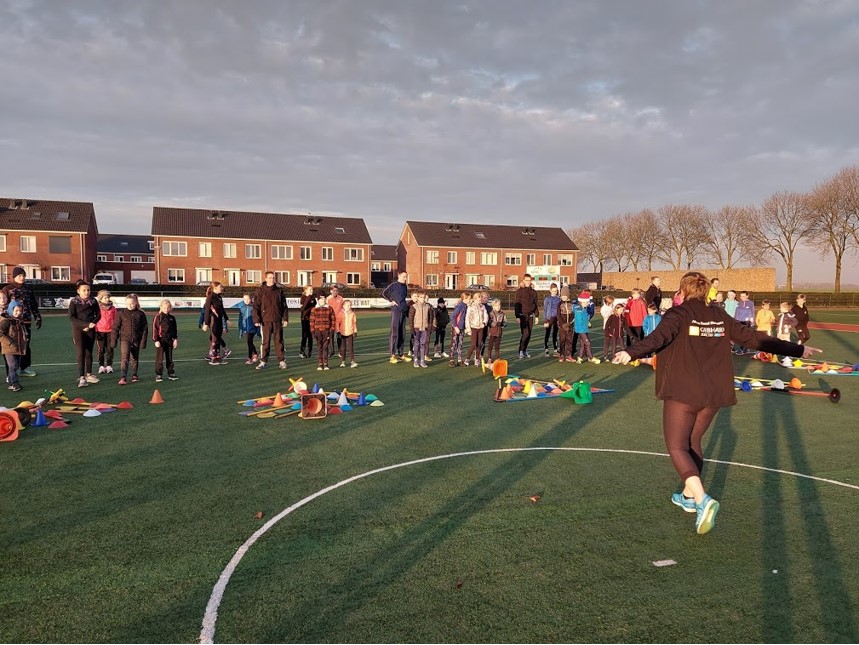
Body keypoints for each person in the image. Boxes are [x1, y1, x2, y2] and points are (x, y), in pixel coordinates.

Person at [613, 271, 822, 535]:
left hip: (684, 391)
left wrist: (630, 352)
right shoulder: (719, 315)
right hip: (713, 393)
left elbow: (658, 339)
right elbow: (754, 339)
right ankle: (689, 496)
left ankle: (702, 499)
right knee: (692, 442)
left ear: (684, 291)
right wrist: (799, 349)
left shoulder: (678, 314)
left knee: (677, 446)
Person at [1, 267, 42, 377]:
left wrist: (37, 316)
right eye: (20, 275)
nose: (22, 277)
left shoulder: (28, 288)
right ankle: (11, 372)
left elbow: (33, 303)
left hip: (26, 321)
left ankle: (24, 368)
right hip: (11, 323)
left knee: (25, 344)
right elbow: (3, 303)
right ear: (14, 277)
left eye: (23, 275)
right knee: (11, 347)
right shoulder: (7, 289)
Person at [68, 280, 101, 388]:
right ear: (78, 291)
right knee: (80, 353)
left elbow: (98, 315)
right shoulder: (74, 302)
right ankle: (82, 377)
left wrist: (92, 324)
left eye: (88, 290)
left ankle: (89, 374)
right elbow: (71, 317)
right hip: (78, 330)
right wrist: (85, 325)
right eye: (84, 290)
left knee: (89, 352)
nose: (86, 292)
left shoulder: (93, 301)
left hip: (90, 330)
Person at [253, 271, 289, 369]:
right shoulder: (260, 291)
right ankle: (263, 361)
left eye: (273, 278)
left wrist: (285, 318)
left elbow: (284, 306)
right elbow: (256, 306)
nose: (272, 279)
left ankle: (282, 361)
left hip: (277, 320)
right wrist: (257, 319)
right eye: (270, 278)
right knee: (265, 342)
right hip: (265, 320)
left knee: (279, 341)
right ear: (265, 279)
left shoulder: (279, 291)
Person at [112, 293, 148, 385]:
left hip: (136, 339)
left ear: (136, 303)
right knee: (125, 357)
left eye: (132, 303)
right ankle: (123, 377)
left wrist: (143, 342)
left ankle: (134, 375)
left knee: (135, 358)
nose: (130, 305)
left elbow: (145, 328)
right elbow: (116, 327)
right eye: (128, 304)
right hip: (125, 339)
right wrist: (114, 340)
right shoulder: (121, 313)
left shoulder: (140, 314)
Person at [381, 271, 409, 363]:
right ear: (399, 276)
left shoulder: (405, 286)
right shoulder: (393, 285)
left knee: (402, 333)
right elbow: (383, 293)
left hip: (403, 312)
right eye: (404, 276)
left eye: (406, 276)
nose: (406, 278)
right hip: (396, 311)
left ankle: (401, 354)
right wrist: (391, 301)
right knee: (394, 333)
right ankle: (392, 355)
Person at [1, 300, 26, 392]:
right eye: (16, 311)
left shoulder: (19, 321)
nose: (18, 313)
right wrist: (10, 342)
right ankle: (14, 383)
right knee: (13, 365)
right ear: (11, 310)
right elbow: (1, 333)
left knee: (16, 366)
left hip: (18, 348)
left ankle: (11, 382)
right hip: (9, 348)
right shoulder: (6, 321)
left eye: (20, 311)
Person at [152, 299, 179, 382]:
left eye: (168, 308)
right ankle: (159, 374)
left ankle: (171, 373)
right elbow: (155, 329)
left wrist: (175, 339)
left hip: (170, 340)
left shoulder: (172, 318)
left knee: (169, 357)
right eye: (164, 308)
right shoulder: (158, 317)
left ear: (170, 308)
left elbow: (175, 330)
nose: (166, 310)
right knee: (159, 358)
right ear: (161, 307)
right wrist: (156, 340)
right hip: (161, 340)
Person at [202, 282, 229, 365]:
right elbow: (207, 311)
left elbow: (222, 309)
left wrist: (227, 319)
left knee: (218, 338)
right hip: (213, 319)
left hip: (219, 319)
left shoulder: (219, 297)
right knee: (214, 339)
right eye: (220, 287)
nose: (222, 288)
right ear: (215, 288)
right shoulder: (210, 297)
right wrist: (206, 323)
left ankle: (218, 357)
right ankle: (213, 359)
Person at [514, 274, 539, 358]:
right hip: (522, 315)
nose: (528, 282)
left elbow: (535, 304)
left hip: (531, 315)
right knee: (525, 333)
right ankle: (520, 351)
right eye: (526, 280)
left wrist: (537, 315)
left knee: (529, 334)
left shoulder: (533, 292)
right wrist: (517, 316)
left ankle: (524, 350)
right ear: (523, 280)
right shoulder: (519, 291)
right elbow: (517, 304)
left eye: (529, 280)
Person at [408, 291, 435, 368]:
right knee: (416, 344)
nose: (422, 299)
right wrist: (412, 328)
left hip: (425, 328)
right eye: (421, 297)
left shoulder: (428, 307)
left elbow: (431, 318)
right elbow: (411, 318)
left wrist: (430, 327)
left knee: (423, 344)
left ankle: (422, 360)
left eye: (424, 297)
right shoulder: (414, 306)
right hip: (416, 328)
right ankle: (416, 359)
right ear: (418, 298)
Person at [309, 293, 335, 370]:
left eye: (324, 299)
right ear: (318, 300)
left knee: (325, 347)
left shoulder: (330, 308)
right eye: (320, 299)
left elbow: (333, 320)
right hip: (318, 331)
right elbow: (312, 321)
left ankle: (326, 364)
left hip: (326, 331)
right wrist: (313, 332)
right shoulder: (314, 309)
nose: (322, 300)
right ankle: (320, 364)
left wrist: (332, 330)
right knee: (319, 347)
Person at [94, 290, 116, 374]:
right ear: (100, 298)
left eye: (108, 297)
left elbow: (115, 319)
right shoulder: (97, 308)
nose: (107, 299)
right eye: (105, 298)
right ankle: (101, 366)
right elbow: (94, 319)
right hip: (100, 331)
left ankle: (109, 365)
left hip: (110, 331)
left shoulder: (113, 308)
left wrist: (115, 330)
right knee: (101, 350)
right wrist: (95, 330)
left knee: (110, 349)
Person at [573, 291, 599, 363]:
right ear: (582, 302)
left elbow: (585, 318)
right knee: (588, 343)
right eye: (587, 302)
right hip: (581, 329)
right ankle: (591, 357)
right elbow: (580, 320)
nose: (588, 304)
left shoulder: (584, 309)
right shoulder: (579, 309)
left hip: (584, 329)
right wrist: (586, 323)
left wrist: (588, 322)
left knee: (583, 344)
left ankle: (579, 357)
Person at [464, 292, 488, 366]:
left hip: (480, 328)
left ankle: (477, 359)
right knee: (473, 344)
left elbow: (486, 316)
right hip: (473, 328)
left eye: (480, 300)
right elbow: (467, 318)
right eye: (478, 300)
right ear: (474, 300)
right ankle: (467, 359)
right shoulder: (470, 307)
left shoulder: (482, 307)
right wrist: (468, 329)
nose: (479, 302)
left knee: (479, 344)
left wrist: (484, 323)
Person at [236, 294, 260, 365]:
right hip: (245, 328)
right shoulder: (242, 308)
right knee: (249, 342)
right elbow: (240, 319)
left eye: (248, 299)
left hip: (252, 328)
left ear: (251, 299)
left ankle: (250, 358)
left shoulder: (254, 308)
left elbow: (258, 318)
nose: (246, 301)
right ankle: (255, 353)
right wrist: (241, 329)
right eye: (245, 299)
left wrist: (258, 329)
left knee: (249, 341)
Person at [336, 299, 359, 368]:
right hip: (342, 333)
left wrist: (355, 331)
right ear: (343, 306)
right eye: (347, 305)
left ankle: (352, 361)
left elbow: (354, 323)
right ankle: (343, 361)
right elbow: (337, 323)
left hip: (350, 332)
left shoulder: (352, 314)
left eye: (350, 305)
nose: (349, 307)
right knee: (343, 348)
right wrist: (338, 331)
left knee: (350, 347)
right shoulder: (340, 314)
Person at [448, 292, 468, 367]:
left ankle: (459, 359)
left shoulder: (466, 306)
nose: (470, 300)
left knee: (460, 343)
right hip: (456, 328)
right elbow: (453, 317)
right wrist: (455, 327)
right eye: (469, 298)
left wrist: (465, 327)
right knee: (453, 343)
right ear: (465, 299)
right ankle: (451, 359)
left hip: (462, 328)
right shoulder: (460, 306)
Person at [485, 298, 506, 367]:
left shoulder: (502, 313)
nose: (498, 307)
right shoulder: (491, 313)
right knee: (490, 346)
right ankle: (489, 358)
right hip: (492, 332)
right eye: (497, 306)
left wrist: (503, 324)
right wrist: (494, 323)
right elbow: (489, 322)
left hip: (499, 332)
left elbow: (505, 321)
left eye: (499, 305)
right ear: (493, 306)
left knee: (497, 346)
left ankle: (497, 358)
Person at [557, 286, 575, 362]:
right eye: (562, 296)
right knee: (562, 340)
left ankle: (569, 355)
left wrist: (569, 323)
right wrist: (563, 324)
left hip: (570, 326)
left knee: (569, 341)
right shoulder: (559, 304)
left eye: (565, 296)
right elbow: (558, 315)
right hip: (562, 326)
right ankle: (561, 355)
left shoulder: (571, 304)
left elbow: (573, 314)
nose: (564, 297)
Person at [542, 283, 560, 357]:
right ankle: (546, 349)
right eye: (553, 291)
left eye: (555, 291)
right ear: (550, 290)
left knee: (555, 334)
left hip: (557, 318)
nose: (554, 292)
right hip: (550, 318)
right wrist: (545, 320)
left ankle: (555, 350)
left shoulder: (559, 299)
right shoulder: (547, 299)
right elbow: (545, 309)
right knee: (547, 333)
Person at [326, 285, 344, 358]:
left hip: (339, 319)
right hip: (331, 320)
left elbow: (343, 307)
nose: (335, 292)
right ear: (330, 291)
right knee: (331, 335)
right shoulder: (328, 299)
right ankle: (332, 351)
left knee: (339, 335)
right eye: (333, 290)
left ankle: (340, 351)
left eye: (336, 290)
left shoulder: (341, 298)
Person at [299, 285, 316, 358]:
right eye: (310, 289)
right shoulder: (303, 298)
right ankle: (302, 352)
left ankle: (310, 352)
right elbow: (303, 308)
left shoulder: (313, 298)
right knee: (304, 336)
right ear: (305, 290)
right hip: (305, 319)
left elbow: (314, 306)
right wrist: (308, 297)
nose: (311, 291)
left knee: (310, 336)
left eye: (312, 289)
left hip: (312, 319)